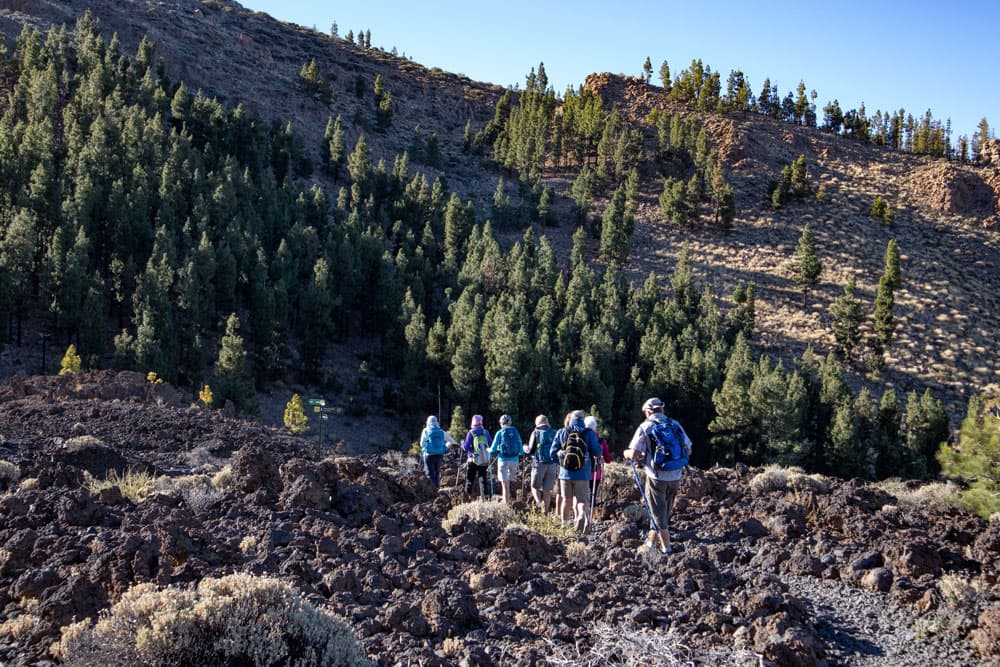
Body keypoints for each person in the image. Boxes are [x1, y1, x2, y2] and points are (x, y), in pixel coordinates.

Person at [623, 397, 692, 554]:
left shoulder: (646, 427)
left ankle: (667, 548)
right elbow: (688, 450)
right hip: (675, 476)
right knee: (663, 512)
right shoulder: (675, 425)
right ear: (662, 409)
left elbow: (634, 454)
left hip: (656, 477)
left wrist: (625, 453)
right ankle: (650, 543)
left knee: (658, 513)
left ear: (648, 412)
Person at [550, 409, 603, 533]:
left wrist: (562, 463)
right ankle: (580, 516)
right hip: (583, 473)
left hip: (565, 474)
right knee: (581, 500)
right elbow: (597, 452)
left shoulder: (562, 431)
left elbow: (552, 453)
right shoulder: (589, 433)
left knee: (566, 500)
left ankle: (564, 525)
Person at [524, 414, 558, 513]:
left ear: (537, 423)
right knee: (547, 490)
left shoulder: (536, 433)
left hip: (539, 463)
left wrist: (525, 448)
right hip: (552, 465)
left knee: (534, 486)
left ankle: (538, 502)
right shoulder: (554, 432)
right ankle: (545, 511)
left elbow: (531, 450)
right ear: (547, 422)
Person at [490, 414, 523, 505]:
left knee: (504, 483)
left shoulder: (500, 432)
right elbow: (520, 443)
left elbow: (493, 448)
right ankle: (513, 500)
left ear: (501, 423)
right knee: (511, 480)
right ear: (510, 422)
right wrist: (521, 453)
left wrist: (489, 451)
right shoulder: (515, 431)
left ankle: (506, 502)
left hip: (503, 459)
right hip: (514, 459)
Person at [461, 415, 492, 500]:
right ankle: (485, 498)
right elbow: (490, 445)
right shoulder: (486, 432)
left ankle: (467, 497)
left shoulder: (471, 433)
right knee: (483, 479)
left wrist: (462, 443)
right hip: (484, 459)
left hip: (472, 459)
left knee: (470, 479)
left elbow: (466, 447)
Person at [419, 415, 454, 488]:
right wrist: (444, 448)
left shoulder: (426, 430)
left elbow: (421, 444)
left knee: (429, 474)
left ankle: (432, 492)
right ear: (436, 422)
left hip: (429, 455)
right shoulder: (441, 431)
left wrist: (426, 447)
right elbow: (452, 441)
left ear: (428, 422)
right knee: (437, 474)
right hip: (439, 455)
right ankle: (437, 490)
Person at [585, 415, 613, 506]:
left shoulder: (580, 438)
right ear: (595, 427)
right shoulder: (600, 441)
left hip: (582, 472)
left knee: (581, 497)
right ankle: (591, 516)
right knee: (593, 496)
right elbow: (608, 459)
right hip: (595, 473)